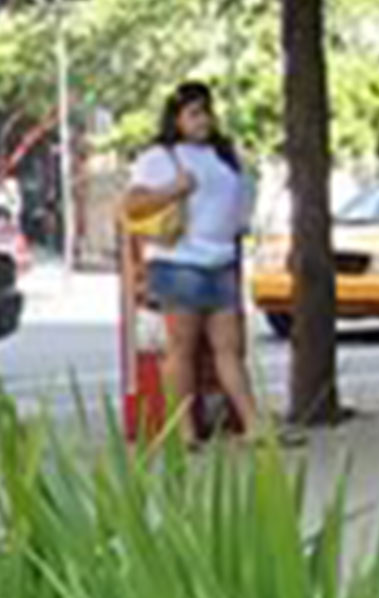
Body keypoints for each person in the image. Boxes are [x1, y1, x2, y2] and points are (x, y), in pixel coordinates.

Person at [121, 81, 264, 441]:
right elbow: (132, 205)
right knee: (181, 349)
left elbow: (241, 208)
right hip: (179, 262)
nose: (203, 120)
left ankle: (253, 423)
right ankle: (184, 428)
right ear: (177, 118)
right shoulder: (160, 157)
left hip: (221, 260)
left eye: (207, 112)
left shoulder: (225, 156)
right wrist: (174, 188)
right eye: (194, 113)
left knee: (228, 348)